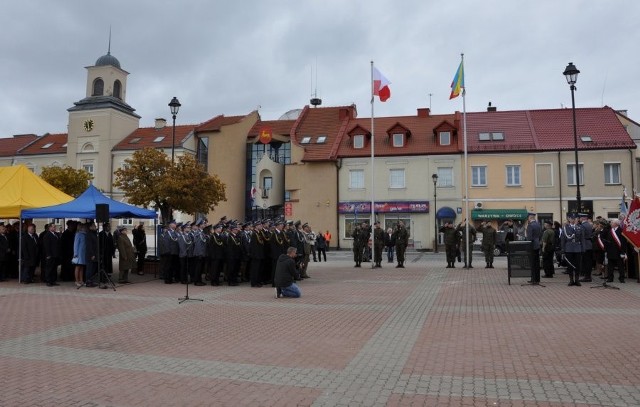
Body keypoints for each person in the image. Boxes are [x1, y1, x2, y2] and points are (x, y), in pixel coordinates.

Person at [561, 213, 585, 286]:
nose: (573, 220)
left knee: (578, 265)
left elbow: (582, 239)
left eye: (574, 218)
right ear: (569, 219)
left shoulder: (580, 227)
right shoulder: (565, 228)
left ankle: (577, 280)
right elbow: (563, 240)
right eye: (571, 218)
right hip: (569, 248)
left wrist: (583, 249)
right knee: (570, 265)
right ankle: (571, 280)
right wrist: (563, 249)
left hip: (577, 248)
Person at [603, 219, 626, 283]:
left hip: (618, 251)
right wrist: (606, 249)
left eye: (612, 223)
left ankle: (621, 278)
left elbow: (623, 242)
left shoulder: (621, 231)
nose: (611, 224)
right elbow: (606, 239)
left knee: (620, 266)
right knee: (610, 266)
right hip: (610, 251)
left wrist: (623, 252)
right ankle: (610, 278)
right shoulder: (610, 231)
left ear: (616, 224)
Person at [525, 212, 542, 284]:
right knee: (537, 263)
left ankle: (533, 279)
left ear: (530, 218)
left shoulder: (530, 226)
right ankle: (537, 279)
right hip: (537, 245)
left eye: (528, 218)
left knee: (532, 263)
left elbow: (529, 238)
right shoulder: (538, 225)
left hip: (532, 246)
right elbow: (540, 235)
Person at [578, 214, 593, 282]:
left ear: (583, 218)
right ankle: (588, 276)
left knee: (586, 262)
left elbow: (582, 236)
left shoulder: (583, 226)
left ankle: (587, 277)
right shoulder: (589, 224)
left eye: (580, 218)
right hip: (589, 244)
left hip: (585, 245)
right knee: (588, 262)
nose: (579, 219)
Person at [72, 223, 87, 287]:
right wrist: (75, 253)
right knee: (78, 267)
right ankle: (77, 280)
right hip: (79, 253)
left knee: (82, 267)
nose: (85, 228)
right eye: (84, 227)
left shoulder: (85, 234)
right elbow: (75, 244)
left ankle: (81, 280)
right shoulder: (78, 234)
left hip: (83, 253)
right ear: (81, 228)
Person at [84, 222, 98, 287]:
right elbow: (89, 245)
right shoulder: (88, 234)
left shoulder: (94, 233)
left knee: (93, 269)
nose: (95, 226)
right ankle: (88, 282)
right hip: (90, 255)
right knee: (89, 269)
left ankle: (91, 281)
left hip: (95, 254)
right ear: (90, 227)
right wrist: (92, 254)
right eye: (94, 226)